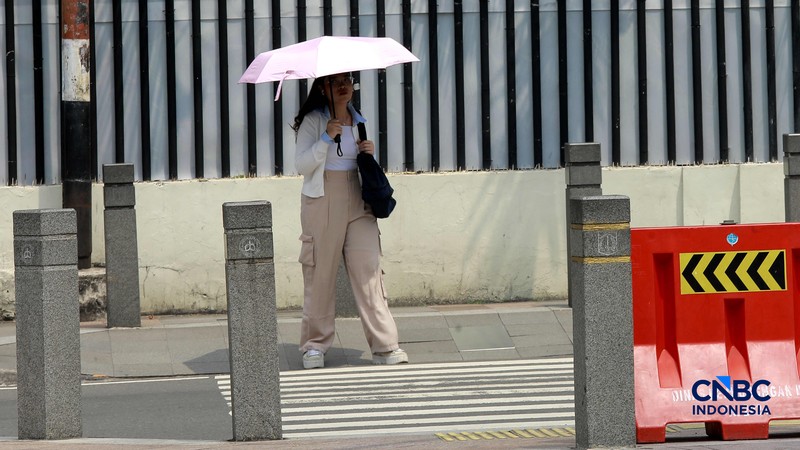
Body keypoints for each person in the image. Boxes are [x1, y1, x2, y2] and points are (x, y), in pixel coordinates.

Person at [291, 72, 408, 369]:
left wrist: (368, 152)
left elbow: (361, 164)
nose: (343, 86)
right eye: (335, 82)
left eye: (347, 80)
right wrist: (325, 138)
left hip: (359, 197)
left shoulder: (360, 120)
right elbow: (302, 165)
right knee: (321, 272)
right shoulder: (314, 121)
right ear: (322, 88)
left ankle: (385, 345)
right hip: (323, 198)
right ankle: (314, 345)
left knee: (369, 269)